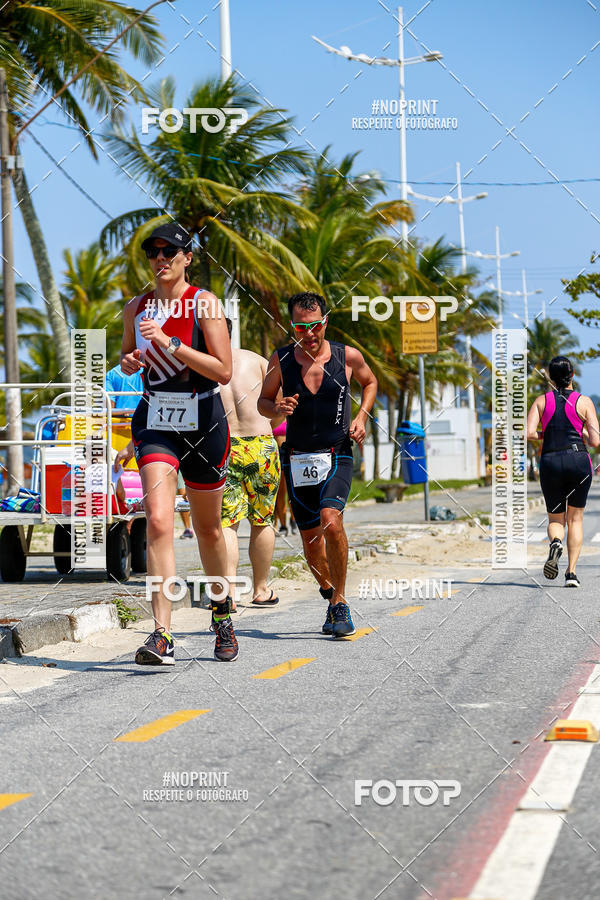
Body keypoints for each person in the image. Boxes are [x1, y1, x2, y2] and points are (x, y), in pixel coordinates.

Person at [117, 221, 238, 663]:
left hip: (204, 419)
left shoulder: (204, 304)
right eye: (153, 252)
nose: (161, 259)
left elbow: (223, 370)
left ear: (188, 257)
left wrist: (170, 342)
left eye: (171, 251)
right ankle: (162, 634)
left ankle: (222, 613)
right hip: (156, 418)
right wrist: (131, 360)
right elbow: (129, 358)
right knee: (161, 523)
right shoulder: (137, 307)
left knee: (207, 528)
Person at [258, 291, 377, 638]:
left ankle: (340, 601)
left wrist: (362, 417)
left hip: (337, 451)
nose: (308, 334)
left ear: (324, 322)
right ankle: (329, 595)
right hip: (297, 458)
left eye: (314, 327)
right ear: (292, 327)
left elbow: (370, 382)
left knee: (331, 521)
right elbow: (263, 401)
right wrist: (277, 408)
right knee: (311, 541)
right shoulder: (280, 360)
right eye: (300, 327)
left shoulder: (346, 356)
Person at [220, 319, 282, 609]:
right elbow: (280, 409)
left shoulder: (204, 369)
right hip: (262, 446)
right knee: (262, 520)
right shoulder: (257, 361)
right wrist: (269, 428)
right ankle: (260, 589)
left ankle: (228, 593)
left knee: (227, 524)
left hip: (225, 449)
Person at [526, 356, 599, 587]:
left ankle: (555, 541)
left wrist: (546, 435)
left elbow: (528, 434)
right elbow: (595, 441)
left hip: (550, 461)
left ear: (550, 377)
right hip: (579, 461)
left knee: (556, 518)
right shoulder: (584, 402)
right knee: (575, 520)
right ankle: (571, 573)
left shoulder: (541, 401)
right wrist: (583, 434)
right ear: (573, 375)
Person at [272, 420, 297, 536]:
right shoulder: (272, 412)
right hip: (276, 452)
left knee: (293, 490)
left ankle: (293, 520)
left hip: (291, 452)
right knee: (280, 492)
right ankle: (283, 525)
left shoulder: (292, 412)